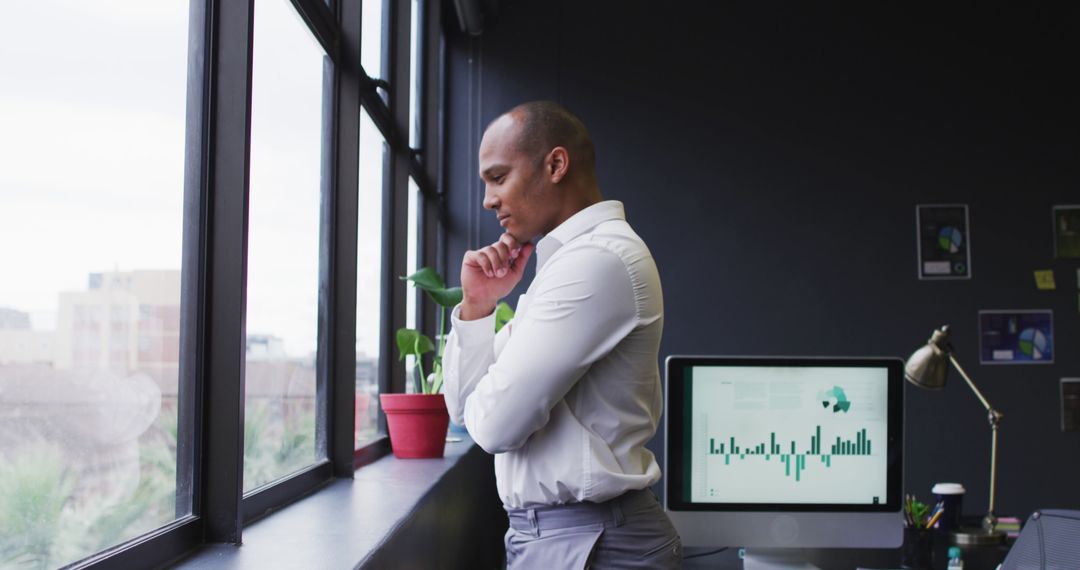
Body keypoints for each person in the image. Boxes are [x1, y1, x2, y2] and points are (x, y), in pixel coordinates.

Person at [442, 101, 680, 569]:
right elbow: (465, 411)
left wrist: (493, 394)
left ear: (555, 164)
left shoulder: (596, 262)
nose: (488, 200)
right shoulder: (564, 267)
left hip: (592, 543)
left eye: (497, 177)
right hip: (568, 538)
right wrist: (477, 306)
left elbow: (495, 426)